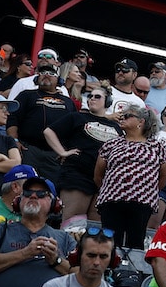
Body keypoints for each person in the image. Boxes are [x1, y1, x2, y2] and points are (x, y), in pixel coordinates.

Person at [43, 84, 120, 222]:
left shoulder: (116, 127)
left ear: (107, 102)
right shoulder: (77, 117)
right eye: (90, 96)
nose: (92, 99)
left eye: (97, 96)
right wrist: (63, 152)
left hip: (104, 181)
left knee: (94, 226)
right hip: (77, 175)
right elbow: (48, 131)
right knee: (72, 221)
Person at [95, 103, 166, 248]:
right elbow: (98, 175)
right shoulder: (112, 144)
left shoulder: (156, 147)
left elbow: (163, 177)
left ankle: (133, 271)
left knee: (136, 240)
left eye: (128, 116)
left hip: (142, 202)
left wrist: (145, 190)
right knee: (110, 241)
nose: (122, 118)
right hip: (112, 199)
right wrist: (111, 189)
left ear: (141, 122)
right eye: (122, 116)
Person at [9, 61, 75, 184]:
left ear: (59, 80)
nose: (46, 75)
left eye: (51, 73)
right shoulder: (26, 95)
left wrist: (66, 150)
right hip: (28, 150)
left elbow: (73, 128)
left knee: (49, 190)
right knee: (21, 185)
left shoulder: (68, 102)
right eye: (43, 72)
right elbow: (13, 118)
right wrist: (15, 141)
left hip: (54, 155)